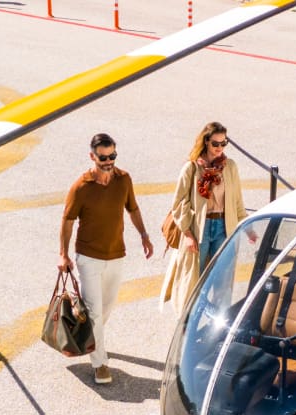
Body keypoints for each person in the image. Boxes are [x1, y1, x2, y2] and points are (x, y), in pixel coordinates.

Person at [59, 133, 153, 385]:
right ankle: (100, 363)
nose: (109, 161)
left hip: (116, 255)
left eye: (113, 156)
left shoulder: (123, 180)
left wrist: (144, 235)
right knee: (95, 313)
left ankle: (90, 337)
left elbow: (132, 208)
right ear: (92, 156)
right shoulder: (81, 187)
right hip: (88, 257)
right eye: (103, 157)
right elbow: (67, 221)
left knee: (105, 308)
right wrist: (63, 254)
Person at [161, 121, 253, 314]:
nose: (220, 148)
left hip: (223, 226)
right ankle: (188, 320)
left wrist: (248, 227)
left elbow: (237, 200)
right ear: (206, 142)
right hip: (198, 229)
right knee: (195, 278)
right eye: (215, 144)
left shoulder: (230, 167)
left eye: (223, 143)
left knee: (223, 277)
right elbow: (179, 203)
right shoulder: (192, 168)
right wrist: (186, 233)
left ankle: (218, 322)